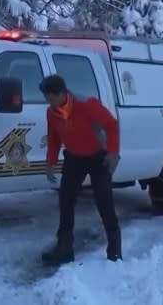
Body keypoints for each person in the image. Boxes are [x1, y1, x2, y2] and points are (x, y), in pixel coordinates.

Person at [39, 74, 122, 265]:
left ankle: (114, 252)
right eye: (46, 99)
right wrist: (50, 162)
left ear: (62, 93)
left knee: (104, 201)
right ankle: (64, 249)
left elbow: (111, 125)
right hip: (74, 158)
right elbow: (53, 138)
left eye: (51, 98)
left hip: (98, 158)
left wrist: (112, 152)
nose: (49, 103)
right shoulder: (52, 112)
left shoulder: (87, 104)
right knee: (66, 201)